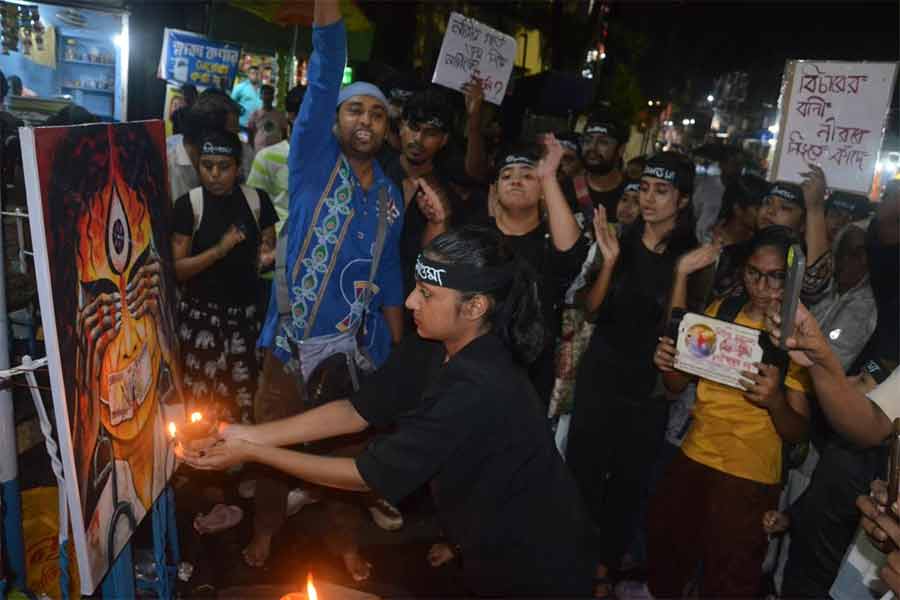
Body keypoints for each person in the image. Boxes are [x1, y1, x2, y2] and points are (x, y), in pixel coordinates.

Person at [179, 226, 598, 597]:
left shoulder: (478, 384)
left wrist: (254, 454)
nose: (411, 301)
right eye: (416, 287)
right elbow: (359, 409)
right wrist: (246, 434)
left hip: (538, 560)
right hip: (485, 538)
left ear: (475, 307)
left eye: (428, 294)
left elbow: (367, 474)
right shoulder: (436, 341)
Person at [251, 0, 405, 575]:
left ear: (387, 128)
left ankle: (344, 540)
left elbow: (389, 274)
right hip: (290, 347)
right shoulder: (313, 160)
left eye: (378, 114)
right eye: (354, 110)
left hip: (356, 355)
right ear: (335, 121)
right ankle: (266, 529)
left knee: (352, 455)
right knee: (271, 444)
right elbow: (325, 69)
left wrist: (398, 351)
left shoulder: (391, 196)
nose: (365, 120)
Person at [645, 226, 812, 599]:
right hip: (694, 453)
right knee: (667, 553)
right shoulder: (724, 309)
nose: (763, 286)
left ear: (792, 278)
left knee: (729, 579)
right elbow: (676, 385)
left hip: (749, 473)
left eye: (776, 277)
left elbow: (798, 432)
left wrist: (775, 402)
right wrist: (668, 361)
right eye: (754, 273)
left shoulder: (798, 336)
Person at [565, 152, 698, 596]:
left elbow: (680, 336)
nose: (649, 199)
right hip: (601, 375)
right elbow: (592, 310)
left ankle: (604, 569)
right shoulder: (617, 239)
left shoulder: (693, 260)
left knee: (627, 485)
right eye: (644, 188)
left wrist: (680, 274)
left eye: (662, 192)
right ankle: (573, 560)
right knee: (582, 473)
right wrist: (608, 262)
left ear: (682, 201)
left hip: (648, 391)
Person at [171, 129, 277, 422]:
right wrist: (220, 249)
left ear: (238, 167)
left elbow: (268, 249)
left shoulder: (258, 202)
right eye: (207, 166)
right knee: (200, 399)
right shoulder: (188, 206)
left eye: (224, 166)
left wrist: (268, 256)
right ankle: (200, 462)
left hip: (246, 319)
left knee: (244, 396)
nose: (215, 174)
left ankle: (238, 461)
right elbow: (177, 270)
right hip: (201, 319)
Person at [486, 138, 589, 405]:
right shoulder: (476, 235)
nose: (516, 180)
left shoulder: (549, 241)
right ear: (495, 190)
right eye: (506, 175)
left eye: (528, 175)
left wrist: (548, 177)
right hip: (474, 367)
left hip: (529, 376)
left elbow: (571, 254)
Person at [809, 224, 877, 372]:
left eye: (855, 254)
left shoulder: (868, 308)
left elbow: (836, 363)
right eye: (841, 251)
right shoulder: (822, 287)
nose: (844, 259)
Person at [166, 89, 254, 202]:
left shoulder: (243, 156)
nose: (237, 143)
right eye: (230, 136)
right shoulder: (167, 166)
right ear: (204, 134)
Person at [561, 108, 629, 224]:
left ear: (621, 150)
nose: (592, 147)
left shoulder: (632, 195)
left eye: (603, 142)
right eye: (587, 140)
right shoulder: (564, 188)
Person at [247, 84, 289, 153]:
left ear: (273, 97)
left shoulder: (280, 115)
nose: (268, 96)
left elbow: (284, 133)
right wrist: (252, 149)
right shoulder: (255, 114)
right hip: (259, 150)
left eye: (270, 94)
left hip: (275, 151)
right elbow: (250, 133)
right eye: (265, 93)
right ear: (261, 96)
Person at [231, 65, 262, 130]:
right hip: (242, 124)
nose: (255, 76)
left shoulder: (263, 90)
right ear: (248, 74)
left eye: (257, 74)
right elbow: (231, 103)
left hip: (258, 126)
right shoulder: (240, 87)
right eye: (253, 73)